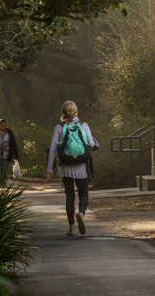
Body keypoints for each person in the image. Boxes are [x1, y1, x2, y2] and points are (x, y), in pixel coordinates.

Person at [47, 101, 95, 237]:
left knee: (70, 196)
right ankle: (80, 214)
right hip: (81, 166)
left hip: (66, 166)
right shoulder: (83, 125)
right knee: (84, 195)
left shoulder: (59, 127)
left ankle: (72, 228)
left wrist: (49, 169)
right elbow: (91, 144)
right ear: (76, 111)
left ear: (63, 111)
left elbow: (52, 150)